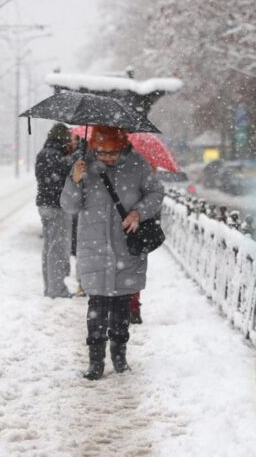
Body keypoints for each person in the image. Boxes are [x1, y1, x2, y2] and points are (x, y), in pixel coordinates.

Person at [60, 125, 164, 380]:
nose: (107, 157)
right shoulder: (83, 166)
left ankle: (119, 358)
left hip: (125, 248)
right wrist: (74, 180)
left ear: (122, 147)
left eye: (113, 153)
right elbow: (69, 206)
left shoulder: (138, 165)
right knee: (96, 307)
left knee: (120, 307)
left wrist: (138, 212)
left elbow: (156, 193)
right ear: (93, 146)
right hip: (93, 247)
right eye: (102, 152)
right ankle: (95, 363)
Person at [35, 123, 73, 298]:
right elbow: (63, 175)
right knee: (58, 249)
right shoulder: (57, 156)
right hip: (58, 206)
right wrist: (75, 156)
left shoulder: (43, 154)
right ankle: (56, 289)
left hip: (44, 205)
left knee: (49, 247)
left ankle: (49, 286)